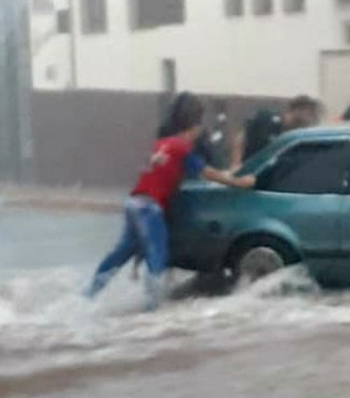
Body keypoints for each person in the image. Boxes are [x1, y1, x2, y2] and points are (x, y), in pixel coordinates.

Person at [86, 92, 255, 310]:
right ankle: (152, 310)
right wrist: (240, 182)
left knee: (120, 254)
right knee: (158, 257)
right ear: (194, 127)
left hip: (134, 204)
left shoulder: (161, 144)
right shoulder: (183, 149)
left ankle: (89, 293)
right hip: (149, 209)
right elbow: (208, 173)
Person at [231, 95, 321, 167]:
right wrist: (236, 164)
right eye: (307, 114)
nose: (307, 120)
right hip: (249, 169)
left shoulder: (296, 136)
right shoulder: (266, 119)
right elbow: (242, 137)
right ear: (296, 110)